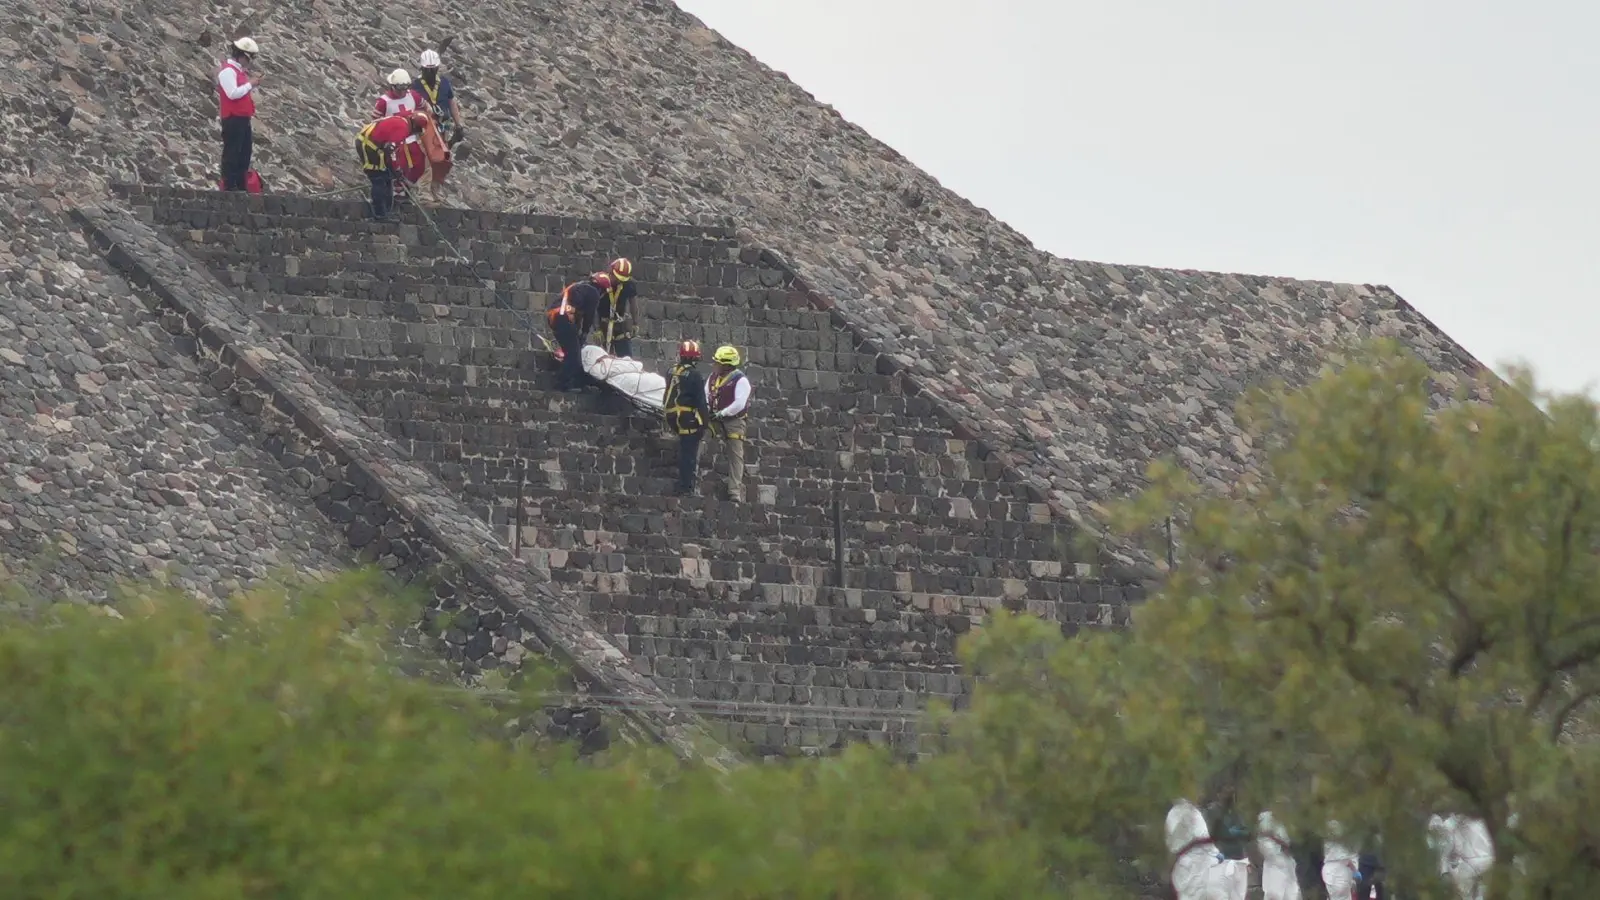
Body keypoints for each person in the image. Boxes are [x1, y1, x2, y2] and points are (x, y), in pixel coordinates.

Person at [413, 49, 465, 203]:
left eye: (432, 70)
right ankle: (423, 191)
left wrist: (458, 124)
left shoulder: (444, 83)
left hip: (443, 125)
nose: (429, 73)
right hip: (425, 126)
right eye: (427, 70)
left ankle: (436, 188)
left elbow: (452, 102)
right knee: (426, 158)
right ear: (422, 69)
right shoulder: (415, 85)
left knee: (443, 158)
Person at [546, 272, 611, 392]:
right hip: (562, 318)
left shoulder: (579, 287)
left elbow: (577, 314)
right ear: (602, 289)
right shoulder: (594, 293)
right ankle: (562, 384)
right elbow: (589, 316)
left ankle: (575, 381)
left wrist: (577, 334)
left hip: (554, 316)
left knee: (572, 352)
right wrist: (585, 333)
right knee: (573, 354)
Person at [356, 112, 427, 220]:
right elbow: (390, 149)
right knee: (379, 178)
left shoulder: (401, 121)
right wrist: (396, 168)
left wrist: (394, 169)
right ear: (415, 127)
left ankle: (386, 211)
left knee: (387, 177)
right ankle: (380, 214)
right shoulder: (403, 129)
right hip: (369, 145)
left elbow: (390, 148)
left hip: (374, 145)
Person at [663, 340, 711, 497]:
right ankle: (685, 486)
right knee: (689, 451)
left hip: (671, 415)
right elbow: (700, 401)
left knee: (684, 447)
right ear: (695, 358)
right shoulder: (695, 375)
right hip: (686, 417)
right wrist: (704, 423)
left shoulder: (671, 371)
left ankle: (683, 483)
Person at [706, 345, 753, 502]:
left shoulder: (741, 380)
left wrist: (723, 413)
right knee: (700, 438)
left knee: (735, 454)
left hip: (734, 420)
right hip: (714, 417)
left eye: (718, 362)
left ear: (727, 365)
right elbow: (707, 393)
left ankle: (734, 491)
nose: (715, 365)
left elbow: (739, 403)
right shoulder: (713, 377)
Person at [216, 37, 260, 192]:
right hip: (233, 117)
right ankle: (229, 184)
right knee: (232, 152)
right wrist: (250, 84)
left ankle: (241, 184)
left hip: (242, 118)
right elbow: (233, 94)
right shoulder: (228, 71)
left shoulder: (239, 72)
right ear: (242, 56)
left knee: (244, 152)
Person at [373, 69, 426, 188]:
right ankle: (396, 191)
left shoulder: (413, 95)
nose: (402, 92)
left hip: (412, 138)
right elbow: (376, 123)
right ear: (392, 86)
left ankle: (407, 189)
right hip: (394, 142)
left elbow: (425, 108)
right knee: (397, 167)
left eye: (405, 88)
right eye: (399, 89)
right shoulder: (383, 102)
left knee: (419, 165)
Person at [592, 257, 636, 358]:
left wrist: (635, 323)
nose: (618, 281)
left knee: (626, 359)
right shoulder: (600, 283)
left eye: (621, 279)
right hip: (603, 324)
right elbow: (593, 307)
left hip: (620, 325)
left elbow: (633, 303)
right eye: (617, 278)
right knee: (604, 359)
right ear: (610, 272)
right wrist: (596, 329)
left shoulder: (628, 284)